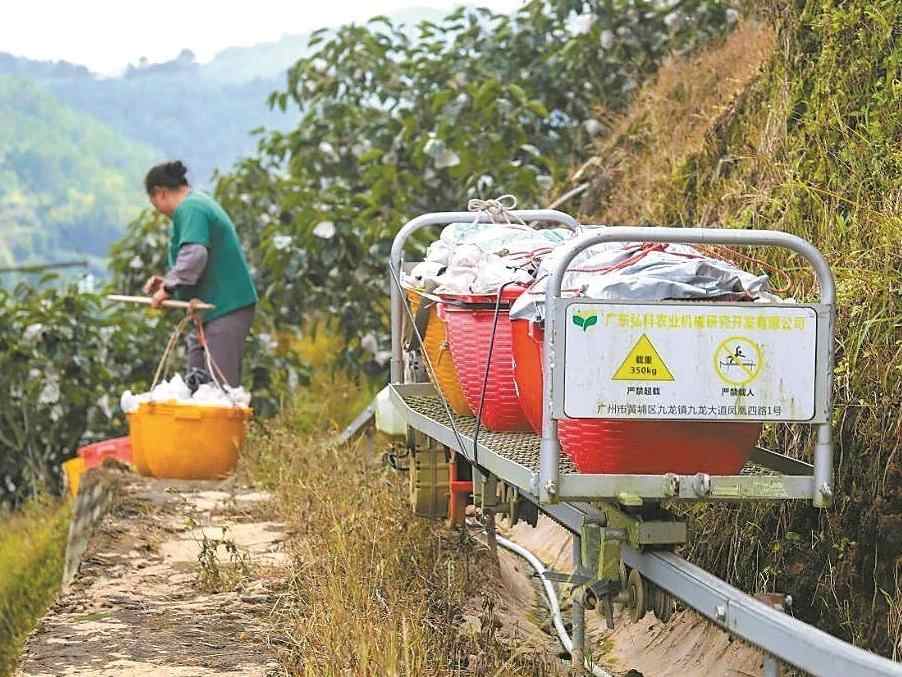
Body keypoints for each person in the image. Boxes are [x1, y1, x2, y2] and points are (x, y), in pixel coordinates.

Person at [142, 161, 258, 389]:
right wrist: (168, 281)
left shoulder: (191, 208)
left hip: (225, 308)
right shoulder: (195, 205)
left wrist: (167, 290)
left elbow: (194, 256)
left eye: (154, 202)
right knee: (197, 385)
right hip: (208, 313)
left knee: (219, 391)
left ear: (160, 193)